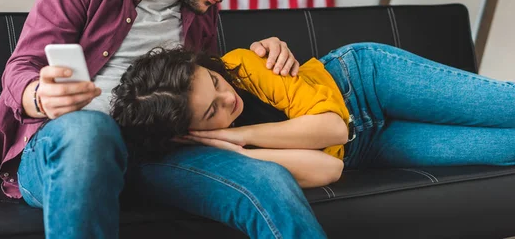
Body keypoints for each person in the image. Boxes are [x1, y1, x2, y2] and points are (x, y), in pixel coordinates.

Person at [0, 0, 330, 239]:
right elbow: (22, 66)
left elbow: (207, 90)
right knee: (91, 129)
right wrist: (40, 95)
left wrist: (264, 53)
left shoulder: (202, 5)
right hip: (70, 150)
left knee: (269, 181)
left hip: (158, 154)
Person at [111, 44, 515, 236]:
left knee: (507, 106)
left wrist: (238, 132)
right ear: (187, 134)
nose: (228, 98)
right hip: (368, 147)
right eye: (212, 111)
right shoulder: (207, 154)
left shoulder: (243, 66)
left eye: (214, 83)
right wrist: (227, 147)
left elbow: (334, 129)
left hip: (366, 83)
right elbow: (331, 165)